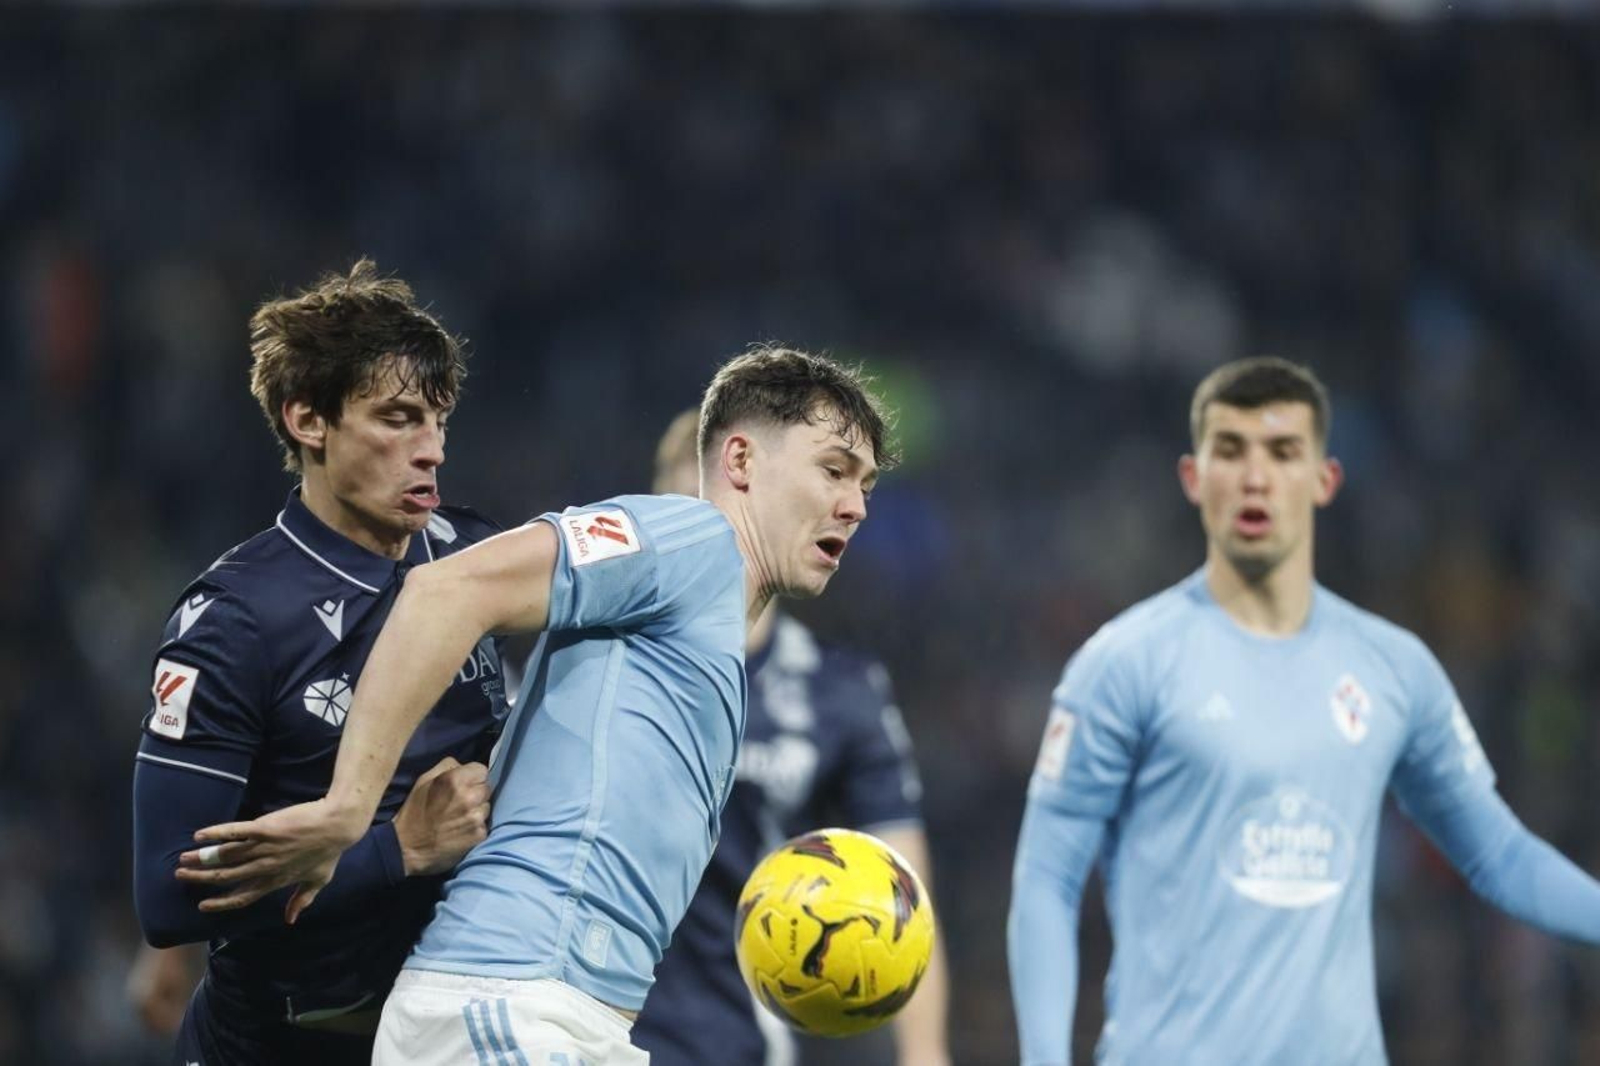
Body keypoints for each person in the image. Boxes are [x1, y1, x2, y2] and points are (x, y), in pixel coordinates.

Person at [175, 345, 895, 1066]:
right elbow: (445, 590)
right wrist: (347, 809)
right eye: (833, 470)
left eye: (865, 484)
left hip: (568, 1018)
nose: (856, 506)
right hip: (510, 1000)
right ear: (739, 460)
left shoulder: (710, 622)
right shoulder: (688, 540)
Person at [1007, 356, 1600, 1065]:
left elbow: (1500, 856)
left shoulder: (1393, 668)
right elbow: (1047, 879)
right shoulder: (1123, 664)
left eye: (1283, 452)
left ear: (1325, 479)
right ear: (1193, 478)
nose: (1255, 477)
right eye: (1231, 450)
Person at [131, 260, 508, 1065]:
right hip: (281, 1043)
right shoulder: (234, 621)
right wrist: (395, 850)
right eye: (398, 419)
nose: (432, 451)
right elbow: (165, 896)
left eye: (438, 421)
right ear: (308, 420)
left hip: (453, 1036)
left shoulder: (475, 558)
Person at [634, 409, 951, 1066]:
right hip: (582, 1030)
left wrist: (924, 1053)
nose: (709, 533)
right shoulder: (593, 660)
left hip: (741, 1044)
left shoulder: (838, 690)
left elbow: (902, 894)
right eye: (691, 508)